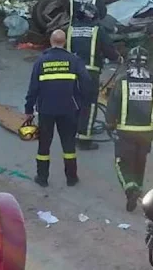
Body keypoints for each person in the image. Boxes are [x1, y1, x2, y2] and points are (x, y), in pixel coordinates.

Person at [25, 29, 91, 187]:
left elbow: (33, 88)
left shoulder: (41, 62)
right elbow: (86, 82)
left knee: (44, 145)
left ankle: (42, 178)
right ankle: (71, 178)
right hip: (69, 109)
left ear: (51, 41)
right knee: (68, 144)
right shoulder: (74, 61)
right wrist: (82, 102)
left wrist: (29, 109)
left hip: (46, 109)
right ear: (65, 42)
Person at [106, 46, 153, 212]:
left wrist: (109, 123)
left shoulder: (122, 81)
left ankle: (130, 189)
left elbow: (113, 104)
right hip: (147, 133)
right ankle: (138, 190)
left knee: (122, 163)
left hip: (125, 131)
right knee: (140, 162)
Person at [67, 2, 120, 150]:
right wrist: (117, 58)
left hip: (70, 73)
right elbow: (109, 49)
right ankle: (84, 139)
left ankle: (72, 133)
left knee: (74, 103)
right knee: (89, 105)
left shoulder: (70, 29)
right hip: (89, 73)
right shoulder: (97, 30)